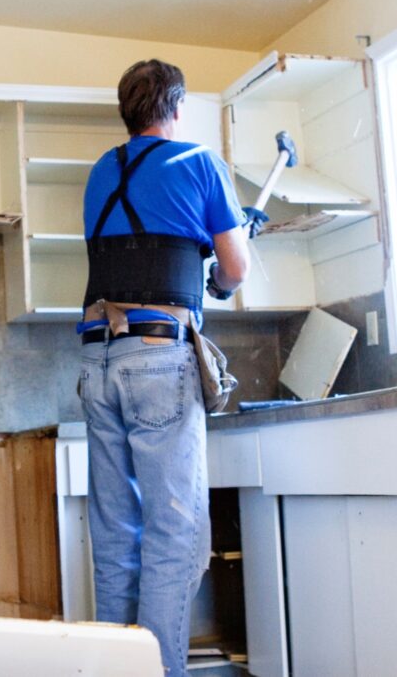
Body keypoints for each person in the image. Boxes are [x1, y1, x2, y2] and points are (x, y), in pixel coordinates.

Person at [78, 58, 253, 677]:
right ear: (175, 108)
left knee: (115, 530)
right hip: (157, 358)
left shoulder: (102, 170)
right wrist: (218, 281)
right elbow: (236, 269)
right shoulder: (199, 162)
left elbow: (138, 238)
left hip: (98, 362)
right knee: (175, 535)